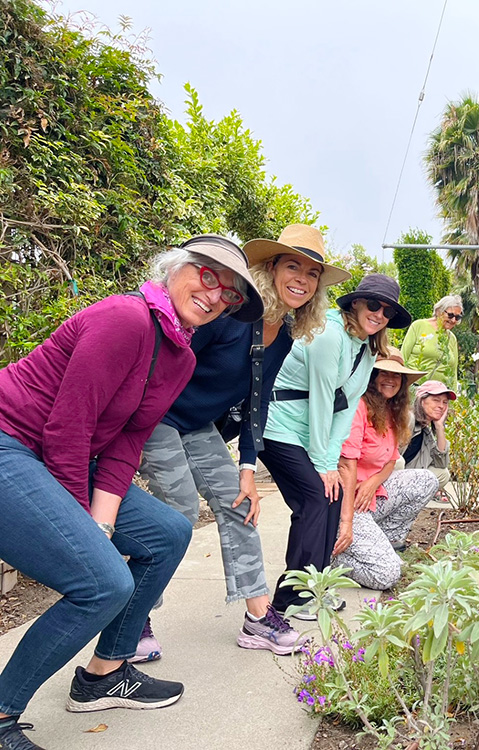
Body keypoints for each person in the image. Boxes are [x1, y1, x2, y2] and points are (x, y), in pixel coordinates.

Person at [0, 235, 261, 749]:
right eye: (208, 276)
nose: (214, 296)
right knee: (104, 582)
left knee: (169, 532)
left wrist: (101, 523)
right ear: (176, 267)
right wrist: (88, 532)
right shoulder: (125, 318)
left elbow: (128, 439)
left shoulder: (180, 357)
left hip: (62, 452)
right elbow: (67, 430)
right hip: (10, 441)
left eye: (228, 294)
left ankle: (105, 673)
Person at [139, 224, 348, 657]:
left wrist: (248, 469)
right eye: (293, 266)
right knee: (177, 515)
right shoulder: (230, 316)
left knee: (240, 506)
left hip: (197, 427)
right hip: (156, 417)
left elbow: (258, 401)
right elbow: (170, 356)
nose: (302, 280)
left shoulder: (285, 334)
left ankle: (257, 618)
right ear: (269, 269)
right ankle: (134, 618)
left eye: (312, 274)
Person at [260, 274, 410, 618]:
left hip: (310, 430)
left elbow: (347, 405)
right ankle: (291, 598)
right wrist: (323, 464)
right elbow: (322, 400)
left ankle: (316, 586)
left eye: (387, 311)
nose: (378, 314)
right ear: (356, 303)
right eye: (373, 304)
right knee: (315, 496)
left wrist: (329, 459)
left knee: (332, 496)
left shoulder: (368, 347)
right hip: (279, 426)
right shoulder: (329, 334)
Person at [333, 349, 438, 589]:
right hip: (347, 501)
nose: (390, 379)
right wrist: (348, 519)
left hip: (369, 496)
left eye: (397, 375)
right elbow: (345, 463)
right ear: (372, 376)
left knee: (426, 480)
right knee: (388, 574)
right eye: (384, 373)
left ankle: (382, 541)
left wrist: (373, 482)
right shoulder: (359, 407)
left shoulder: (391, 410)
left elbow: (392, 459)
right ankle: (333, 558)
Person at [404, 380, 457, 494]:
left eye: (445, 402)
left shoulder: (426, 431)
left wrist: (439, 427)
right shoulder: (408, 419)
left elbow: (441, 464)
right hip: (386, 475)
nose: (441, 406)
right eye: (436, 400)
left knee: (442, 474)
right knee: (397, 462)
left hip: (405, 476)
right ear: (422, 401)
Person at [401, 294, 463, 390]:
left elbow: (453, 371)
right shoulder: (419, 326)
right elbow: (403, 357)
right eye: (450, 315)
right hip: (415, 389)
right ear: (439, 311)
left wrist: (454, 396)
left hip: (440, 393)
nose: (453, 320)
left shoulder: (452, 338)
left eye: (457, 317)